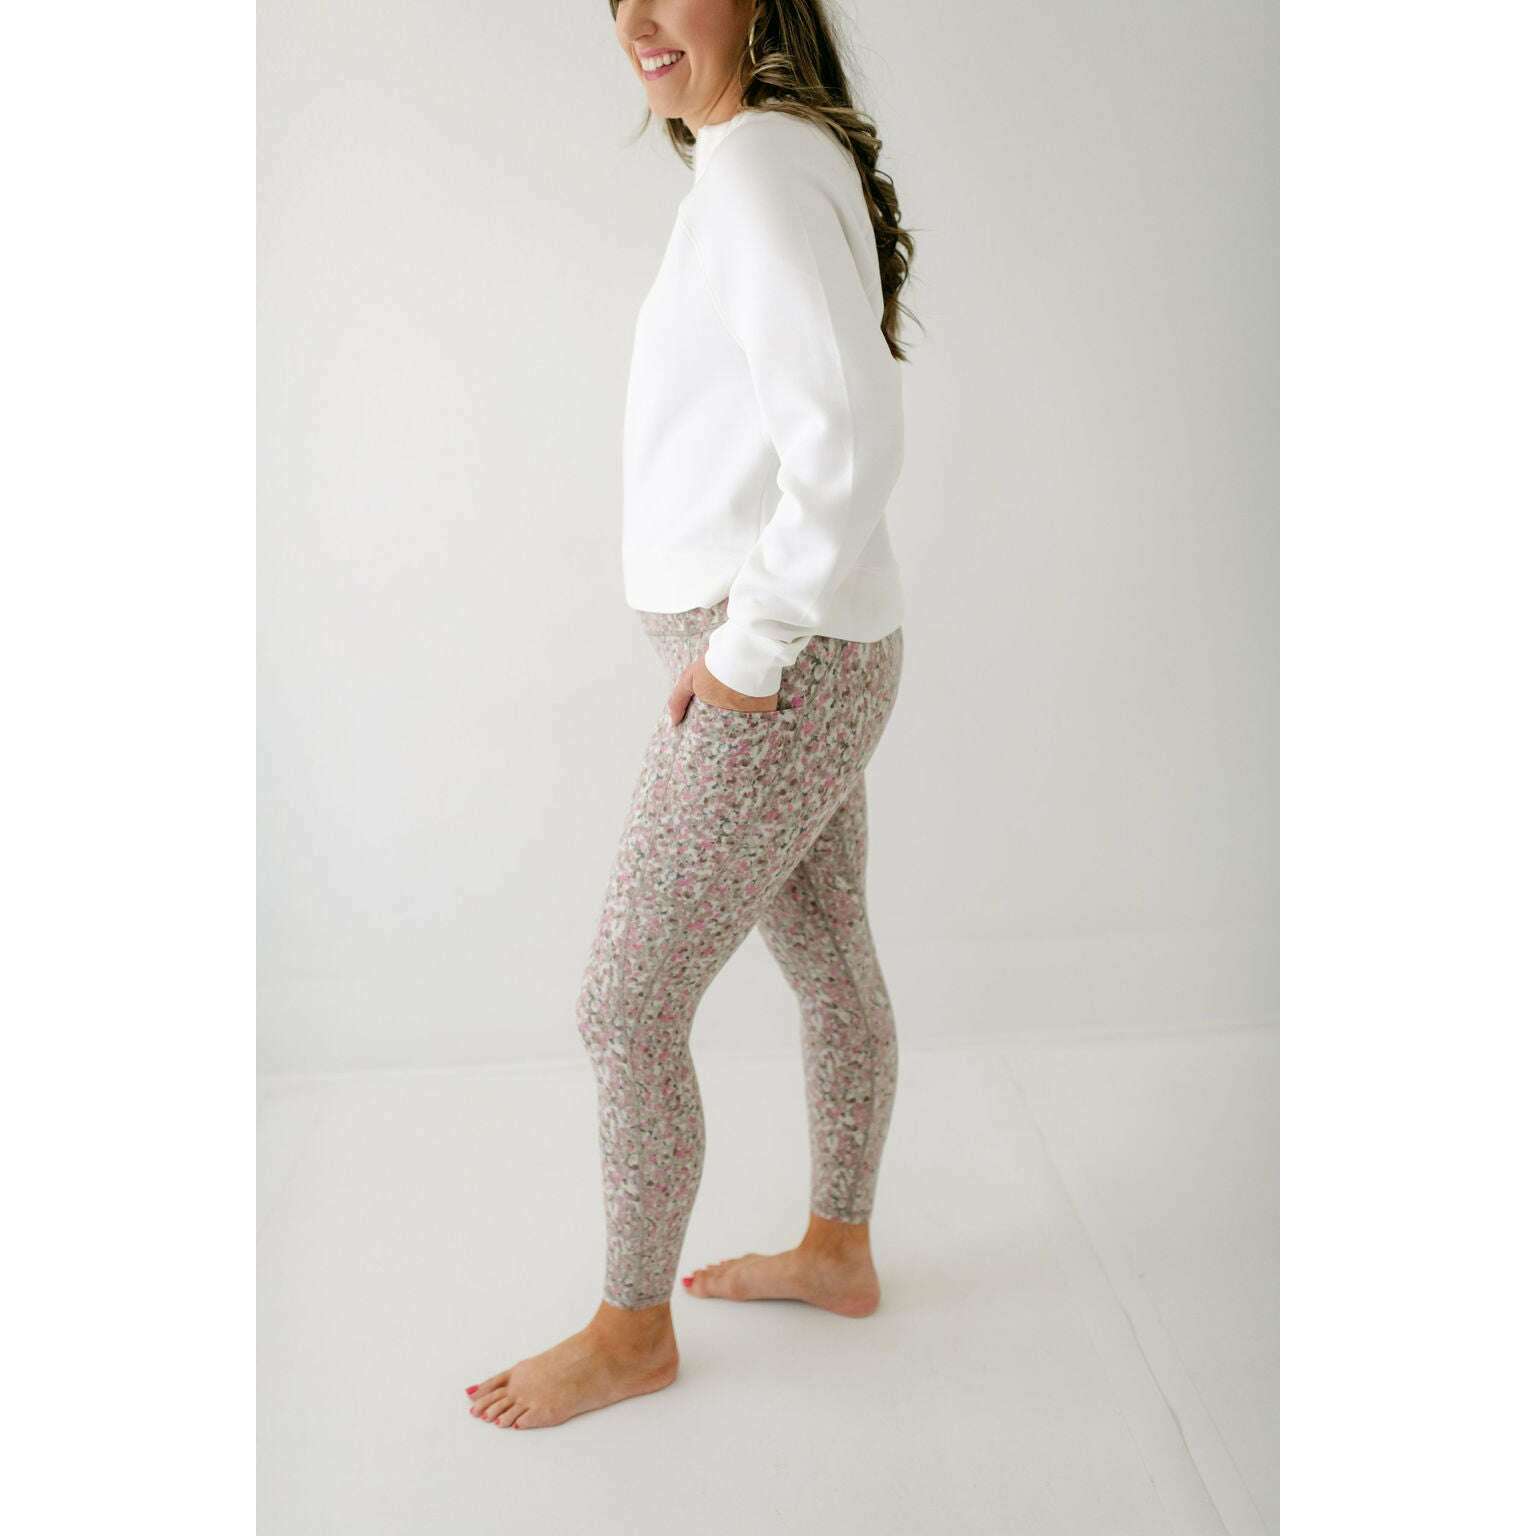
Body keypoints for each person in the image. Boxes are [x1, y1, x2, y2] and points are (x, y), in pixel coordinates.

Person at [467, 0, 919, 1431]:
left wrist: (749, 649)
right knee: (828, 958)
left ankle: (630, 1331)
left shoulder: (757, 166)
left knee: (624, 1006)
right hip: (806, 652)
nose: (640, 21)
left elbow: (852, 436)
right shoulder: (761, 156)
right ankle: (839, 1250)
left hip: (783, 663)